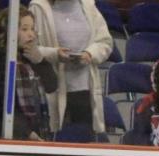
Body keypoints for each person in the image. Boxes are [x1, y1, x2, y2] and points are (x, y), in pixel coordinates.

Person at [29, 0, 113, 139]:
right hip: (51, 87)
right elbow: (29, 47)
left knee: (84, 140)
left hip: (85, 88)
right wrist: (55, 54)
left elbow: (105, 41)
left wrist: (90, 54)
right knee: (54, 139)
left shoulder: (88, 5)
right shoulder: (38, 7)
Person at [0, 6, 58, 141]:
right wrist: (27, 133)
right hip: (4, 135)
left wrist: (39, 60)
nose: (31, 34)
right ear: (7, 31)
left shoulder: (30, 57)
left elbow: (52, 85)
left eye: (32, 29)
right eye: (24, 29)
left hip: (36, 132)